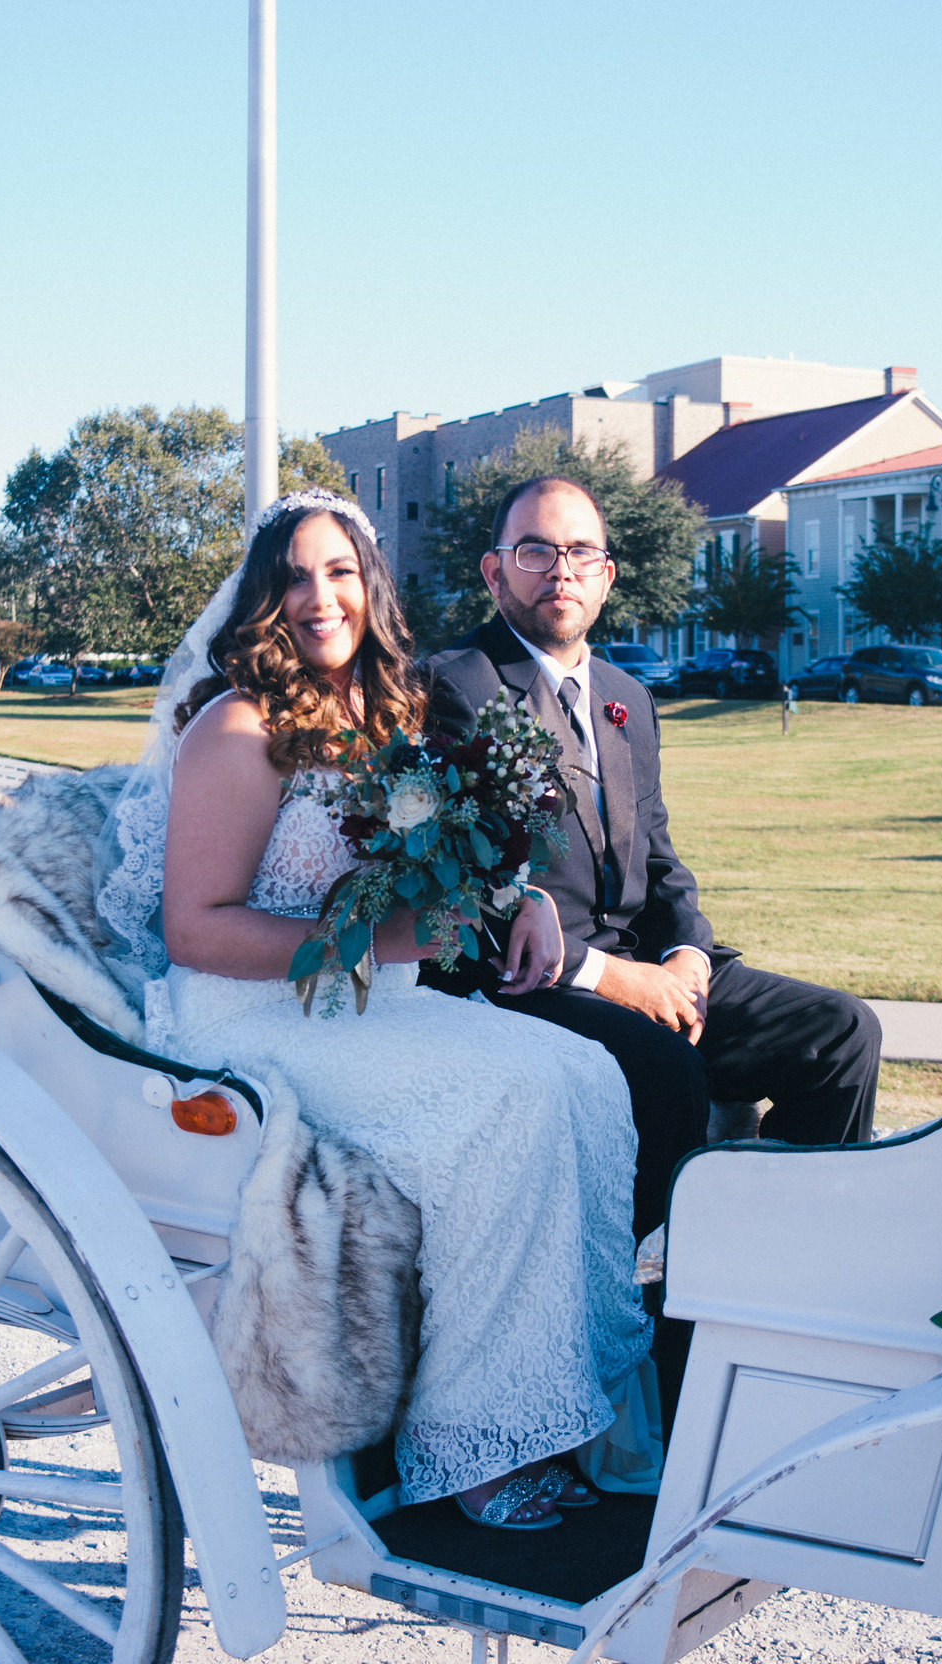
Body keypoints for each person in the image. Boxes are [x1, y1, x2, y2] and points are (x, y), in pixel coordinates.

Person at [142, 488, 653, 1532]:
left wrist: (521, 905)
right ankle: (472, 1440)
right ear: (263, 595)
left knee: (585, 1074)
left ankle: (568, 1397)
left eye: (339, 572)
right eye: (295, 574)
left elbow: (445, 858)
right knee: (506, 1098)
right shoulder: (237, 728)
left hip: (367, 1003)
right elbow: (195, 930)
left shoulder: (387, 716)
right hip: (250, 1019)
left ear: (369, 585)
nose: (319, 595)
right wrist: (382, 942)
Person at [420, 475, 884, 1252]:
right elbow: (470, 886)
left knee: (840, 1032)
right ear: (494, 571)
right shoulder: (454, 684)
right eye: (535, 549)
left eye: (579, 552)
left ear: (606, 575)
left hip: (652, 969)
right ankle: (670, 1321)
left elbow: (661, 859)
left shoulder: (627, 695)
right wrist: (618, 981)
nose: (559, 570)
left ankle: (788, 1256)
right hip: (532, 985)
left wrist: (688, 957)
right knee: (668, 1069)